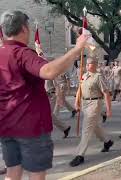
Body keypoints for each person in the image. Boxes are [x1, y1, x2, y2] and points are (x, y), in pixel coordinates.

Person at [0, 10, 88, 180]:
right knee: (36, 174)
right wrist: (77, 49)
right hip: (30, 127)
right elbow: (48, 71)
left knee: (12, 172)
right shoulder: (22, 54)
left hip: (6, 126)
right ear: (24, 29)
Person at [70, 57, 114, 167]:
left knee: (86, 129)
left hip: (95, 104)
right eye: (87, 63)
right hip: (85, 103)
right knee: (94, 126)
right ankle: (107, 141)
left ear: (95, 65)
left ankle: (80, 155)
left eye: (89, 63)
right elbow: (80, 90)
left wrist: (108, 109)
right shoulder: (84, 76)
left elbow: (106, 93)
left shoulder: (98, 77)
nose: (87, 65)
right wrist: (77, 102)